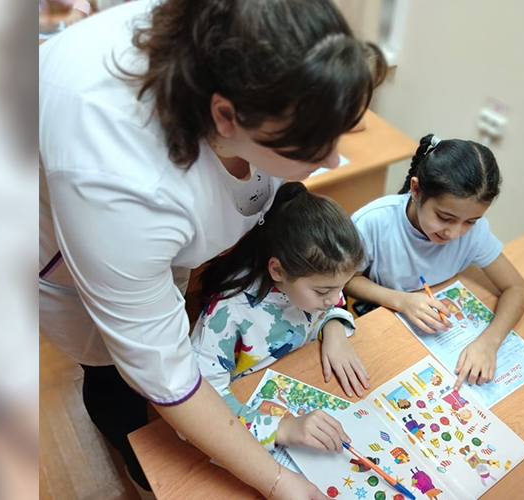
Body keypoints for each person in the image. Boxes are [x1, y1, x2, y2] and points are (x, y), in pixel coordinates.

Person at [38, 0, 386, 498]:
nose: (333, 161)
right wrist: (278, 481)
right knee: (114, 371)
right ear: (225, 116)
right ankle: (141, 473)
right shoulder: (118, 182)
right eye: (312, 146)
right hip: (65, 248)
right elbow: (165, 373)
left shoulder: (242, 48)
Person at [191, 182, 369, 455]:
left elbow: (330, 307)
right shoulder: (227, 313)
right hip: (241, 423)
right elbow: (200, 405)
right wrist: (282, 430)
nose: (335, 298)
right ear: (277, 270)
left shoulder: (310, 285)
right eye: (324, 291)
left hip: (292, 382)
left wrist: (333, 327)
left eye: (341, 287)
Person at [344, 134, 524, 391]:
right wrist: (401, 300)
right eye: (444, 218)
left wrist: (489, 343)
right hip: (384, 321)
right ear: (416, 190)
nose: (454, 233)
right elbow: (346, 280)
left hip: (435, 339)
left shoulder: (475, 233)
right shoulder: (373, 222)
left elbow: (517, 289)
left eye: (470, 221)